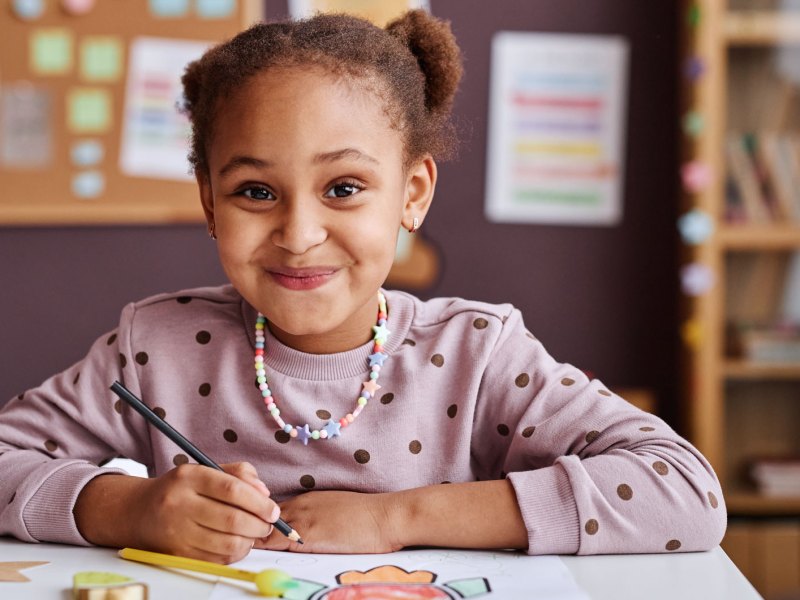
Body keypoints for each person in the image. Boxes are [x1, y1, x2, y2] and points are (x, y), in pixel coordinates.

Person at [0, 10, 726, 565]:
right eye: (256, 190)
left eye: (343, 188)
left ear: (411, 194)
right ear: (209, 204)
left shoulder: (478, 353)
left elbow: (685, 493)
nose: (299, 232)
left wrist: (397, 517)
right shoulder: (154, 348)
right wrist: (129, 510)